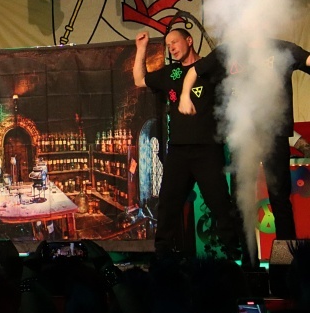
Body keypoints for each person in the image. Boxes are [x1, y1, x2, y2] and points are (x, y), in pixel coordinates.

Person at [179, 38, 310, 241]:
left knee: (279, 198)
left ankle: (286, 255)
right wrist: (184, 96)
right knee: (241, 198)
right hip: (241, 134)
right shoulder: (228, 50)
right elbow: (194, 71)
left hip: (274, 133)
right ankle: (247, 258)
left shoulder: (281, 48)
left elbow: (307, 59)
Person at [133, 28, 242, 257]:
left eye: (175, 42)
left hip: (208, 149)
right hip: (178, 151)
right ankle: (162, 256)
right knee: (168, 204)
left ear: (189, 40)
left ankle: (235, 255)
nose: (171, 47)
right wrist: (141, 49)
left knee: (220, 203)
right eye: (168, 44)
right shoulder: (171, 73)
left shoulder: (209, 67)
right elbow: (139, 80)